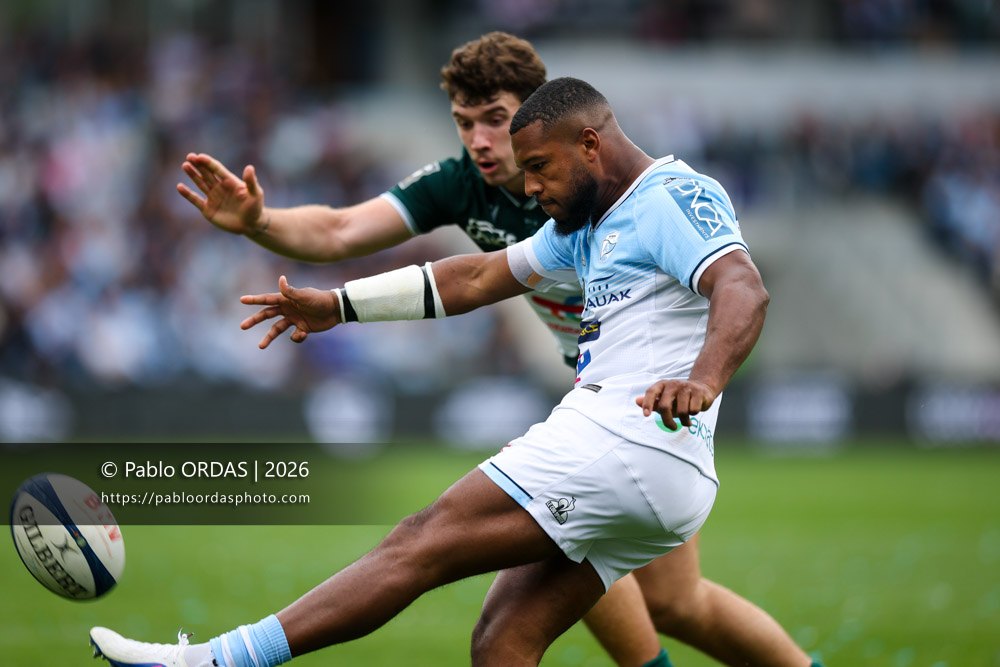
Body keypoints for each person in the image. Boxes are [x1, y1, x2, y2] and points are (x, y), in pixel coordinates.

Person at [90, 77, 821, 667]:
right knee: (503, 639)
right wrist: (338, 305)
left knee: (421, 540)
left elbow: (742, 286)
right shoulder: (587, 222)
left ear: (591, 143)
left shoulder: (669, 196)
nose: (529, 188)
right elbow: (473, 277)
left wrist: (705, 379)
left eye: (539, 167)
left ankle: (212, 661)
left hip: (624, 437)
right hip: (652, 467)